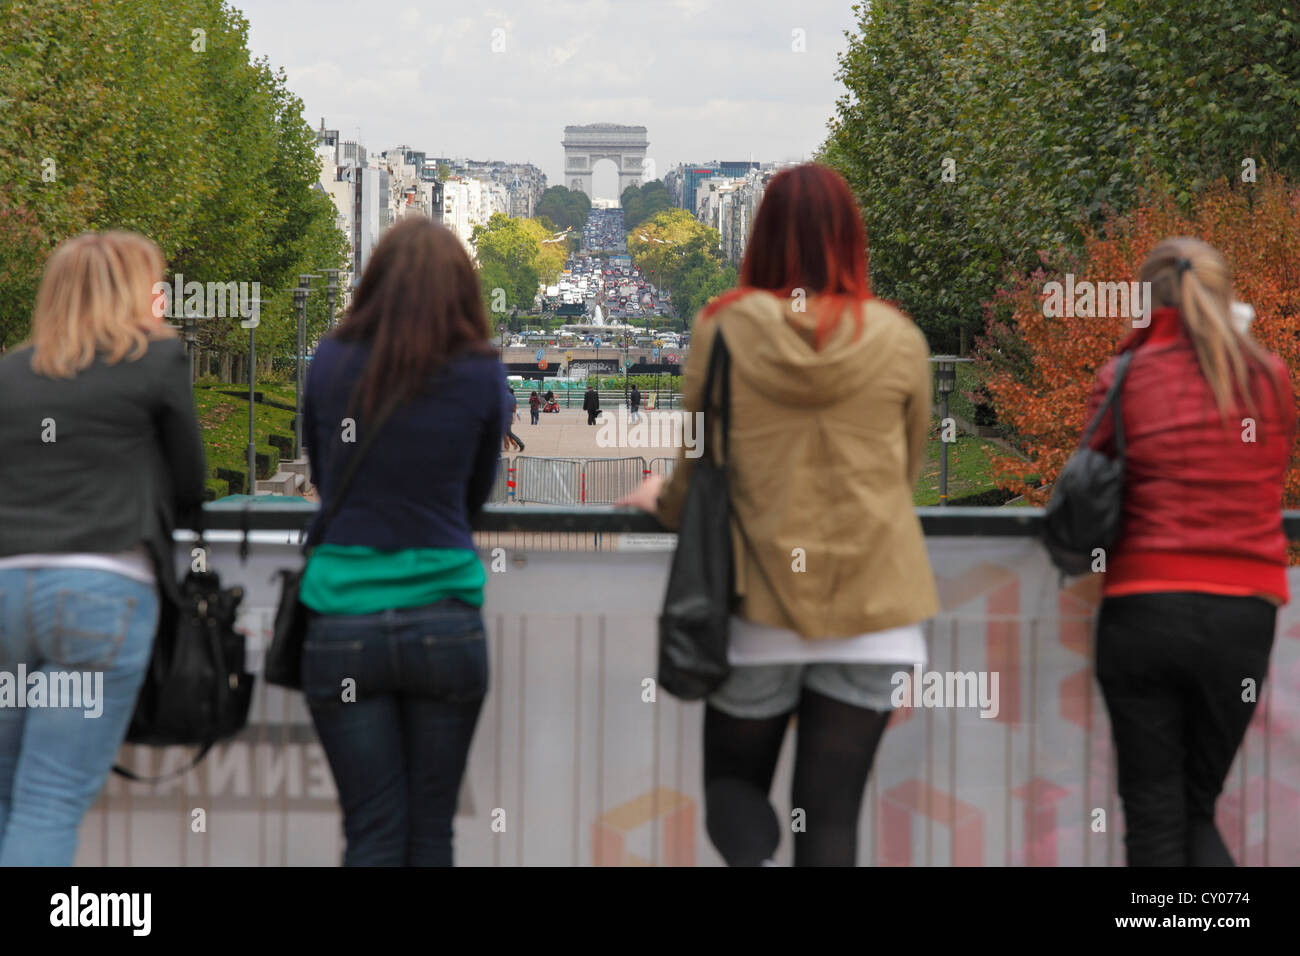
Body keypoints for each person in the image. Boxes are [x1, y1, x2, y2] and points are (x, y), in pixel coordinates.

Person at [617, 164, 937, 866]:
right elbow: (903, 474)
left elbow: (697, 465)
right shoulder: (899, 337)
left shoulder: (723, 328)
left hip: (758, 600)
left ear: (759, 237)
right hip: (874, 607)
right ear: (854, 239)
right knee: (829, 823)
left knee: (734, 788)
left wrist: (657, 501)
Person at [298, 217, 509, 866]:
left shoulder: (329, 362)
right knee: (431, 833)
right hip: (445, 621)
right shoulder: (481, 374)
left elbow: (325, 473)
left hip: (342, 623)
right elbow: (474, 495)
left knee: (371, 833)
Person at [1085, 237, 1295, 866]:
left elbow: (1091, 475)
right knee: (1196, 807)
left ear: (1146, 298)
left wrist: (1134, 345)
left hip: (1142, 606)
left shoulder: (1123, 378)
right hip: (1244, 616)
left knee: (1154, 815)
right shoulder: (1268, 378)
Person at [0, 231, 206, 866]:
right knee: (49, 801)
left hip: (7, 590)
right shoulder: (156, 359)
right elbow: (190, 483)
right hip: (101, 591)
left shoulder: (11, 371)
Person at [503, 384, 525, 452]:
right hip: (509, 416)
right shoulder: (512, 397)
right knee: (507, 432)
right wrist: (513, 416)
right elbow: (515, 407)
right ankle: (511, 445)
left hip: (504, 416)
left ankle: (520, 444)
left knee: (507, 433)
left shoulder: (504, 396)